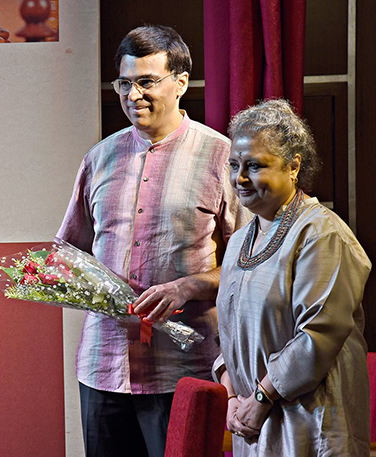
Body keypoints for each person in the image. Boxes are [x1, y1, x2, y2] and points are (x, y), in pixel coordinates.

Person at [56, 25, 247, 457]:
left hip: (185, 368)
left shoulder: (223, 157)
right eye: (124, 84)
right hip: (103, 366)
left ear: (181, 83)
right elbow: (69, 252)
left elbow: (252, 264)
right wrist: (72, 283)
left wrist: (190, 286)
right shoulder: (99, 157)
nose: (133, 95)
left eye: (146, 81)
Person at [215, 99, 371, 456]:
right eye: (234, 165)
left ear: (293, 166)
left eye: (255, 166)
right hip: (252, 421)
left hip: (309, 423)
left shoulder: (322, 233)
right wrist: (231, 393)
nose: (240, 178)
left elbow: (317, 336)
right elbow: (228, 330)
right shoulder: (240, 239)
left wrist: (261, 397)